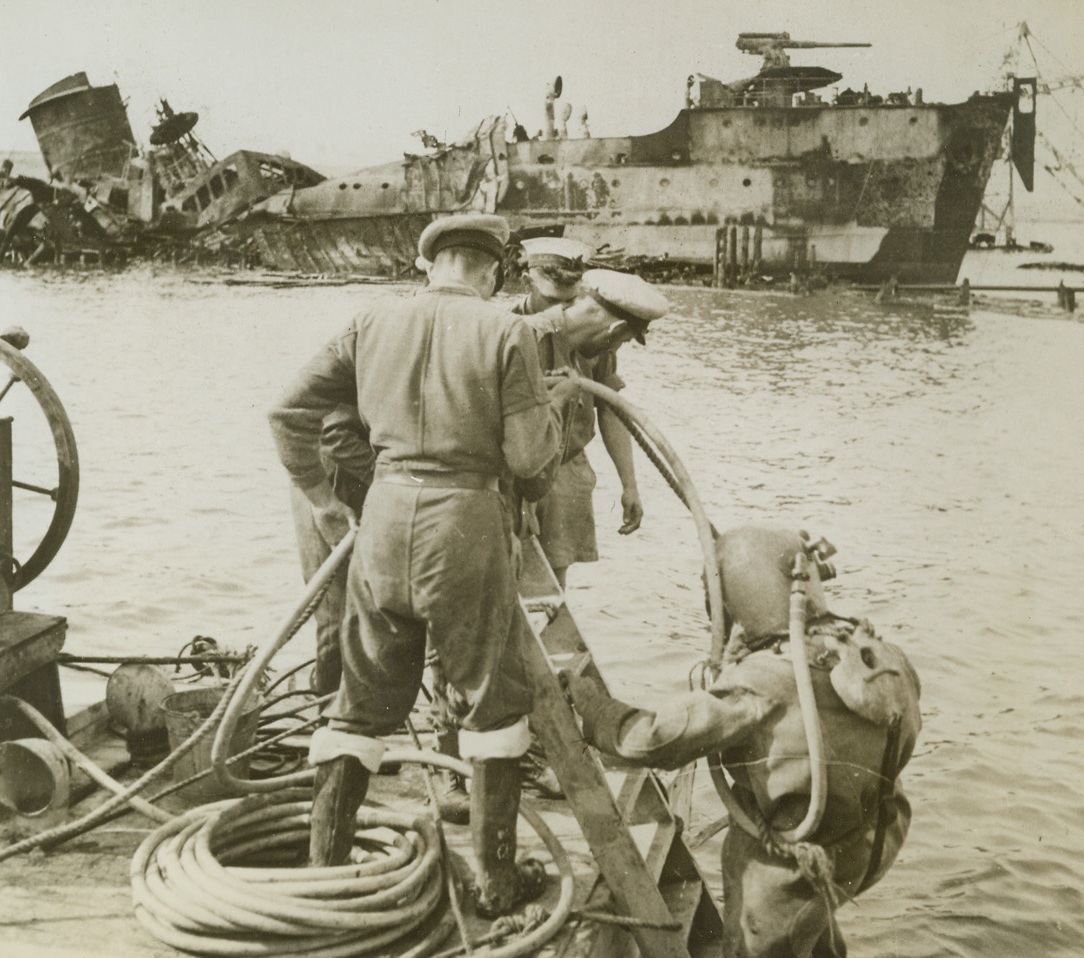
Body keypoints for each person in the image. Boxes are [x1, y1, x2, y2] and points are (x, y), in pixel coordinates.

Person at [268, 212, 573, 918]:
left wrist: (320, 499)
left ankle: (327, 863)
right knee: (492, 702)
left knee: (362, 700)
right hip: (462, 525)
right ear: (495, 270)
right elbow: (528, 463)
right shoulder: (508, 331)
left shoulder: (370, 321)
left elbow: (286, 411)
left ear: (427, 264)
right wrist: (551, 416)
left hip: (382, 518)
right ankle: (497, 882)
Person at [563, 527, 922, 958]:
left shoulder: (764, 680)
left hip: (797, 864)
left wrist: (594, 706)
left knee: (758, 939)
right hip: (872, 839)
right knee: (812, 930)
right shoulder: (877, 652)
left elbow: (652, 741)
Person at [518, 262, 670, 590]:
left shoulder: (596, 347)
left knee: (553, 588)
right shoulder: (520, 336)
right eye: (621, 342)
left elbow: (611, 409)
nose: (614, 349)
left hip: (567, 465)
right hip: (517, 471)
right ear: (614, 331)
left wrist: (629, 484)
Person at [289, 406, 373, 696]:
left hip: (358, 486)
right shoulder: (347, 363)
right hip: (327, 490)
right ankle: (328, 721)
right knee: (333, 623)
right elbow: (333, 433)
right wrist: (387, 478)